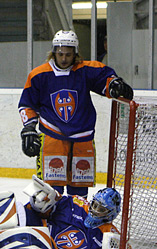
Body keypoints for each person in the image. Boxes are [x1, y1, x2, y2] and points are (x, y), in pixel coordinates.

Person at [18, 30, 133, 199]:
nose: (64, 59)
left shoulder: (85, 70)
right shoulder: (38, 75)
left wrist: (114, 84)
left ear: (75, 54)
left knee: (79, 193)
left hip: (83, 137)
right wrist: (29, 127)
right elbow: (27, 104)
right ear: (54, 52)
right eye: (60, 54)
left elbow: (105, 77)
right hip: (53, 136)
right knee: (51, 191)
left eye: (68, 55)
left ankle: (76, 223)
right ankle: (54, 223)